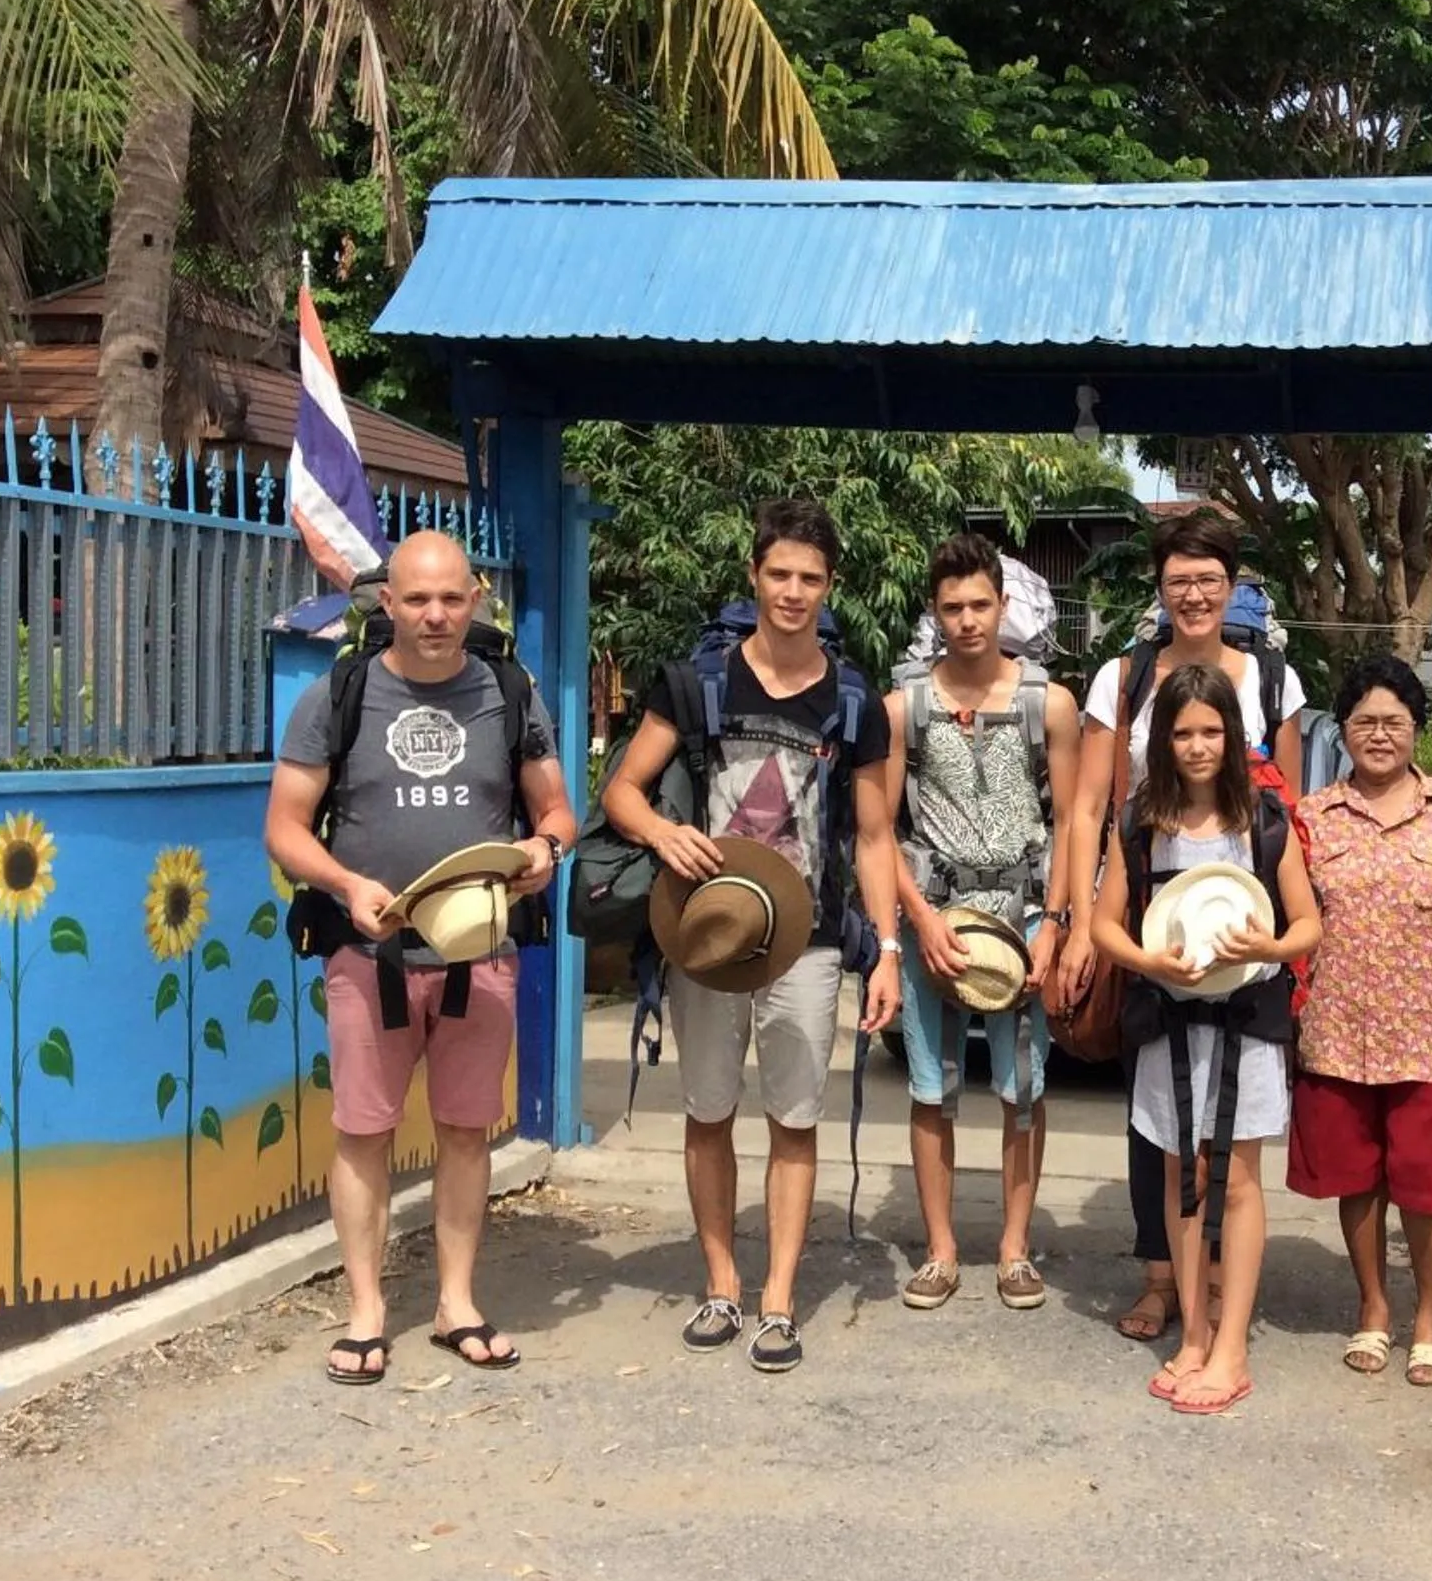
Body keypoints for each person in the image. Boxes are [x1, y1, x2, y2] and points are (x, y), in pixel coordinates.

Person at [265, 531, 575, 1385]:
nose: (435, 615)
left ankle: (456, 1303)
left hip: (481, 950)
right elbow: (285, 828)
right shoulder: (341, 692)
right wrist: (344, 882)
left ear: (473, 600)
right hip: (371, 953)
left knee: (466, 1131)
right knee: (363, 1131)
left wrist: (544, 852)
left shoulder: (510, 690)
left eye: (450, 599)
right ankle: (366, 1312)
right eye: (417, 599)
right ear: (388, 603)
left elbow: (557, 810)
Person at [605, 498, 902, 1374]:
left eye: (811, 578)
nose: (794, 592)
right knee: (707, 1110)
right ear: (754, 575)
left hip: (806, 941)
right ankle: (721, 1283)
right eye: (780, 574)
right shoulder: (694, 682)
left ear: (830, 586)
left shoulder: (854, 701)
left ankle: (778, 1298)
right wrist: (662, 834)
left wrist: (885, 949)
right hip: (705, 930)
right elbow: (624, 790)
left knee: (794, 1118)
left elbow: (878, 835)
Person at [1055, 507, 1306, 1342]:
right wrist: (1072, 921)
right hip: (1149, 912)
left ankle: (1222, 1293)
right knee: (1156, 1108)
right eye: (1177, 582)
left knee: (1231, 1124)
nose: (1193, 594)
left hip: (1242, 921)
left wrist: (1280, 938)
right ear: (1158, 590)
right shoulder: (1121, 679)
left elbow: (1288, 812)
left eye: (1208, 580)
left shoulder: (1273, 680)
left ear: (1232, 586)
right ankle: (1163, 1280)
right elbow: (1090, 804)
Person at [1089, 664, 1319, 1414]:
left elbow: (1308, 924)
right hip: (1167, 1023)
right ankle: (1192, 1332)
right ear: (1162, 738)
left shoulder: (1265, 820)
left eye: (1210, 730)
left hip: (1245, 1025)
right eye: (1181, 731)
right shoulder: (1140, 821)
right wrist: (1148, 960)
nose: (1196, 745)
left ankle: (1233, 1347)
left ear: (1234, 733)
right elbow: (1103, 924)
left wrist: (1267, 947)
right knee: (1179, 1172)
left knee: (1239, 1177)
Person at [1292, 656, 1432, 1389]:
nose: (1380, 735)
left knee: (1431, 1187)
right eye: (1365, 721)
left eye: (1394, 721)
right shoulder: (1313, 818)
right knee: (1358, 1180)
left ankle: (1431, 1317)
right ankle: (1373, 1304)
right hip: (1338, 1034)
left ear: (1416, 728)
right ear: (1344, 730)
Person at [883, 534, 1080, 1311]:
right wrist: (915, 920)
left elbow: (1070, 820)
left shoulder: (1046, 701)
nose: (968, 620)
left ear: (1004, 605)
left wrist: (1058, 924)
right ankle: (939, 1249)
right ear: (935, 612)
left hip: (1022, 910)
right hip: (938, 913)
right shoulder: (907, 705)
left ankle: (1013, 1248)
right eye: (952, 606)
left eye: (980, 604)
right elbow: (880, 828)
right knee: (931, 1091)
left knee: (1022, 1089)